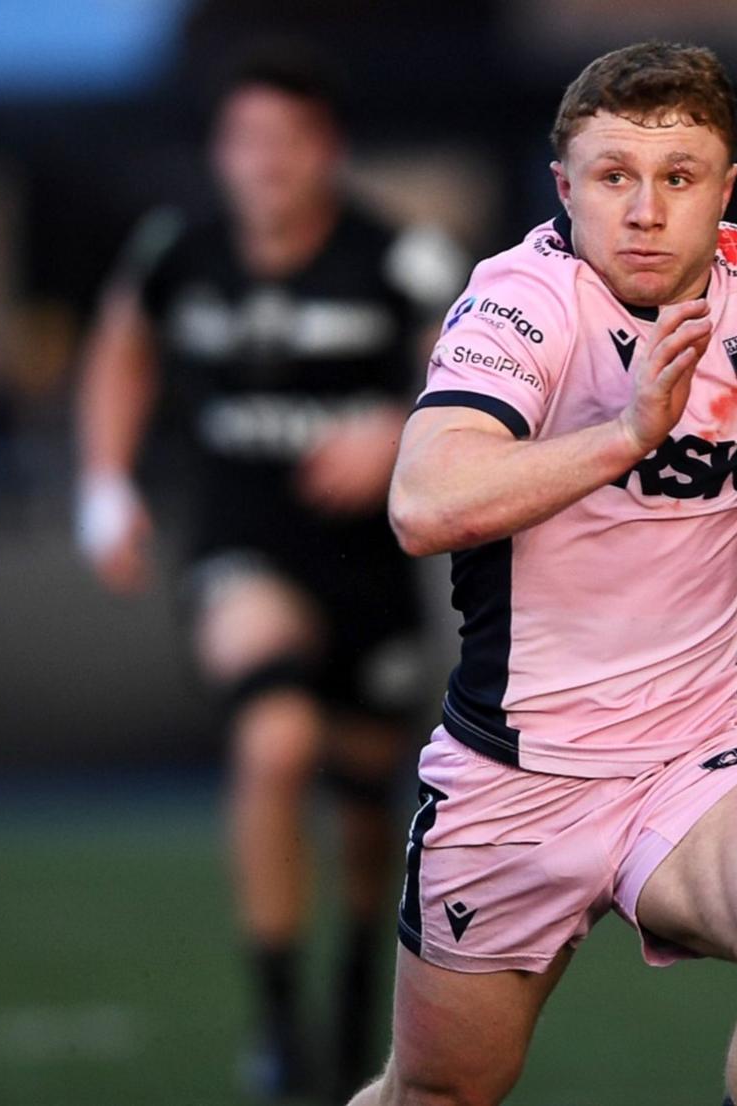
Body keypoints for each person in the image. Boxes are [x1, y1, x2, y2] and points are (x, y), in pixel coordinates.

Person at [351, 42, 737, 1106]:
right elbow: (422, 502)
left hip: (692, 754)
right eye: (613, 177)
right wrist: (624, 431)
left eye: (678, 177)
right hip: (516, 770)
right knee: (439, 1089)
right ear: (563, 188)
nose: (644, 210)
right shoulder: (520, 304)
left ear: (725, 189)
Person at [73, 48, 464, 1099]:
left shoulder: (399, 256)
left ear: (326, 152)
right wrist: (106, 482)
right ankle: (280, 1021)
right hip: (240, 554)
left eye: (287, 143)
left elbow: (478, 370)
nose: (265, 165)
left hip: (371, 569)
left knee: (369, 804)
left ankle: (348, 994)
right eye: (245, 142)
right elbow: (119, 346)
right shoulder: (177, 253)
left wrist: (398, 428)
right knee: (275, 735)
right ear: (220, 152)